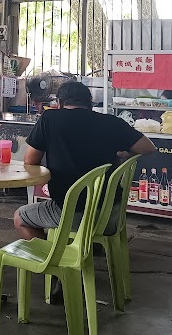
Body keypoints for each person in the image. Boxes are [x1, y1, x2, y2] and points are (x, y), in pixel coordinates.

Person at [14, 81, 157, 242]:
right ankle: (85, 249)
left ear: (60, 103)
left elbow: (30, 160)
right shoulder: (112, 122)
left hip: (72, 215)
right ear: (90, 104)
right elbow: (149, 147)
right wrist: (126, 153)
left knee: (20, 218)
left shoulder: (50, 118)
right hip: (110, 217)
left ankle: (56, 258)